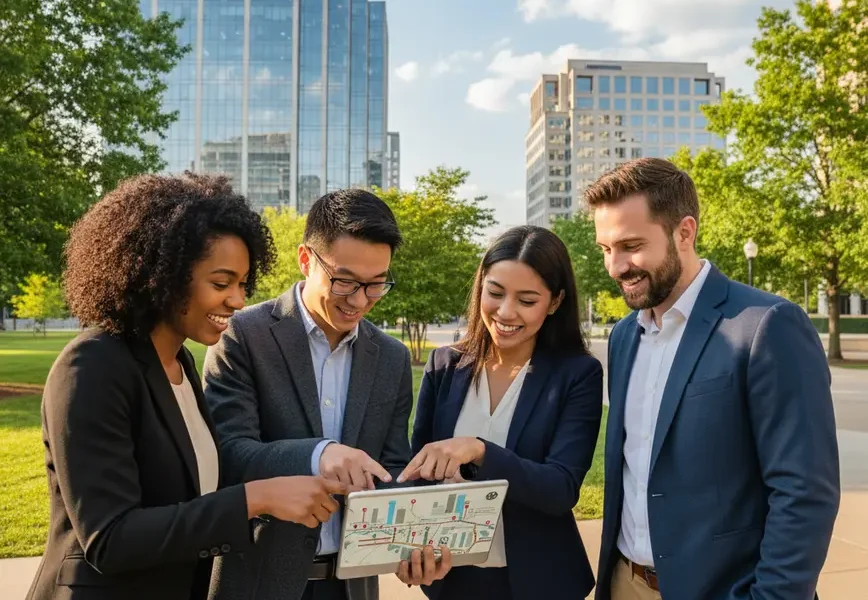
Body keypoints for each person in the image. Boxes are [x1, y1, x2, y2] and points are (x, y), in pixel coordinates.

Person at [27, 173, 349, 600]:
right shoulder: (92, 365)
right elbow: (111, 538)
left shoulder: (180, 363)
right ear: (161, 273)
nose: (237, 300)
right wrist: (256, 498)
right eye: (221, 283)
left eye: (242, 285)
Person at [590, 158, 840, 600]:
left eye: (631, 245)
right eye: (606, 249)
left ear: (684, 232)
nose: (616, 267)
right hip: (624, 583)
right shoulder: (624, 336)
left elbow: (804, 492)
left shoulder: (768, 325)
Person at [203, 189, 451, 600]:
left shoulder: (390, 358)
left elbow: (390, 467)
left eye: (376, 285)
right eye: (344, 281)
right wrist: (320, 455)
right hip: (258, 582)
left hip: (353, 587)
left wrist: (413, 541)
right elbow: (229, 455)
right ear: (306, 259)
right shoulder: (242, 336)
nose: (359, 301)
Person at [397, 225, 604, 600]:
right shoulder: (445, 365)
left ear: (554, 302)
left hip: (539, 582)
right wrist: (411, 552)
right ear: (480, 287)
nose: (506, 312)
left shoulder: (578, 374)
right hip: (452, 580)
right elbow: (418, 474)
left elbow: (560, 488)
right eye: (495, 293)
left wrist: (479, 450)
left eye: (527, 300)